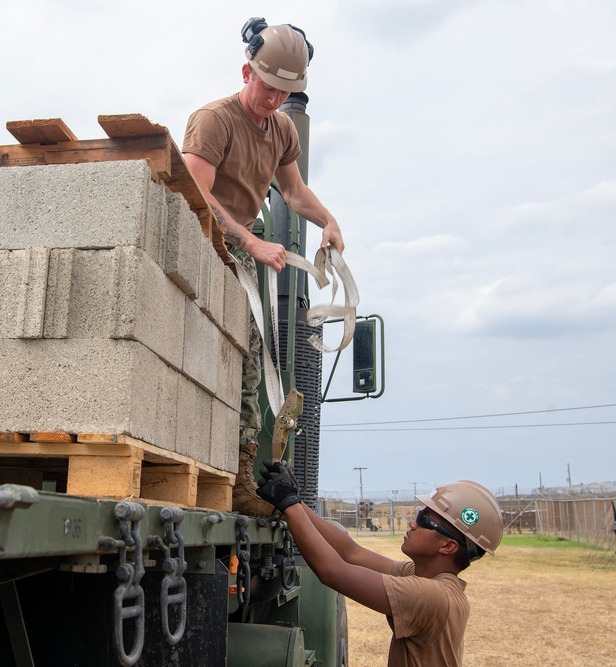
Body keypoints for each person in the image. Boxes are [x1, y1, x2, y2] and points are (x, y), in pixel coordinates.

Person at [182, 18, 345, 515]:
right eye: (269, 88)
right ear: (247, 71)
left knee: (249, 366)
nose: (275, 100)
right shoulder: (215, 119)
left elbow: (293, 192)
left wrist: (329, 220)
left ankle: (239, 476)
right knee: (224, 355)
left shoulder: (280, 131)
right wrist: (252, 241)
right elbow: (197, 195)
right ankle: (209, 466)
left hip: (239, 257)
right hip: (199, 245)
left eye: (285, 93)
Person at [257, 465, 504, 667]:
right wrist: (296, 504)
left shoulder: (432, 596)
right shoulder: (428, 579)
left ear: (448, 547)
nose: (413, 523)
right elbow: (351, 553)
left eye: (424, 519)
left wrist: (289, 504)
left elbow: (332, 571)